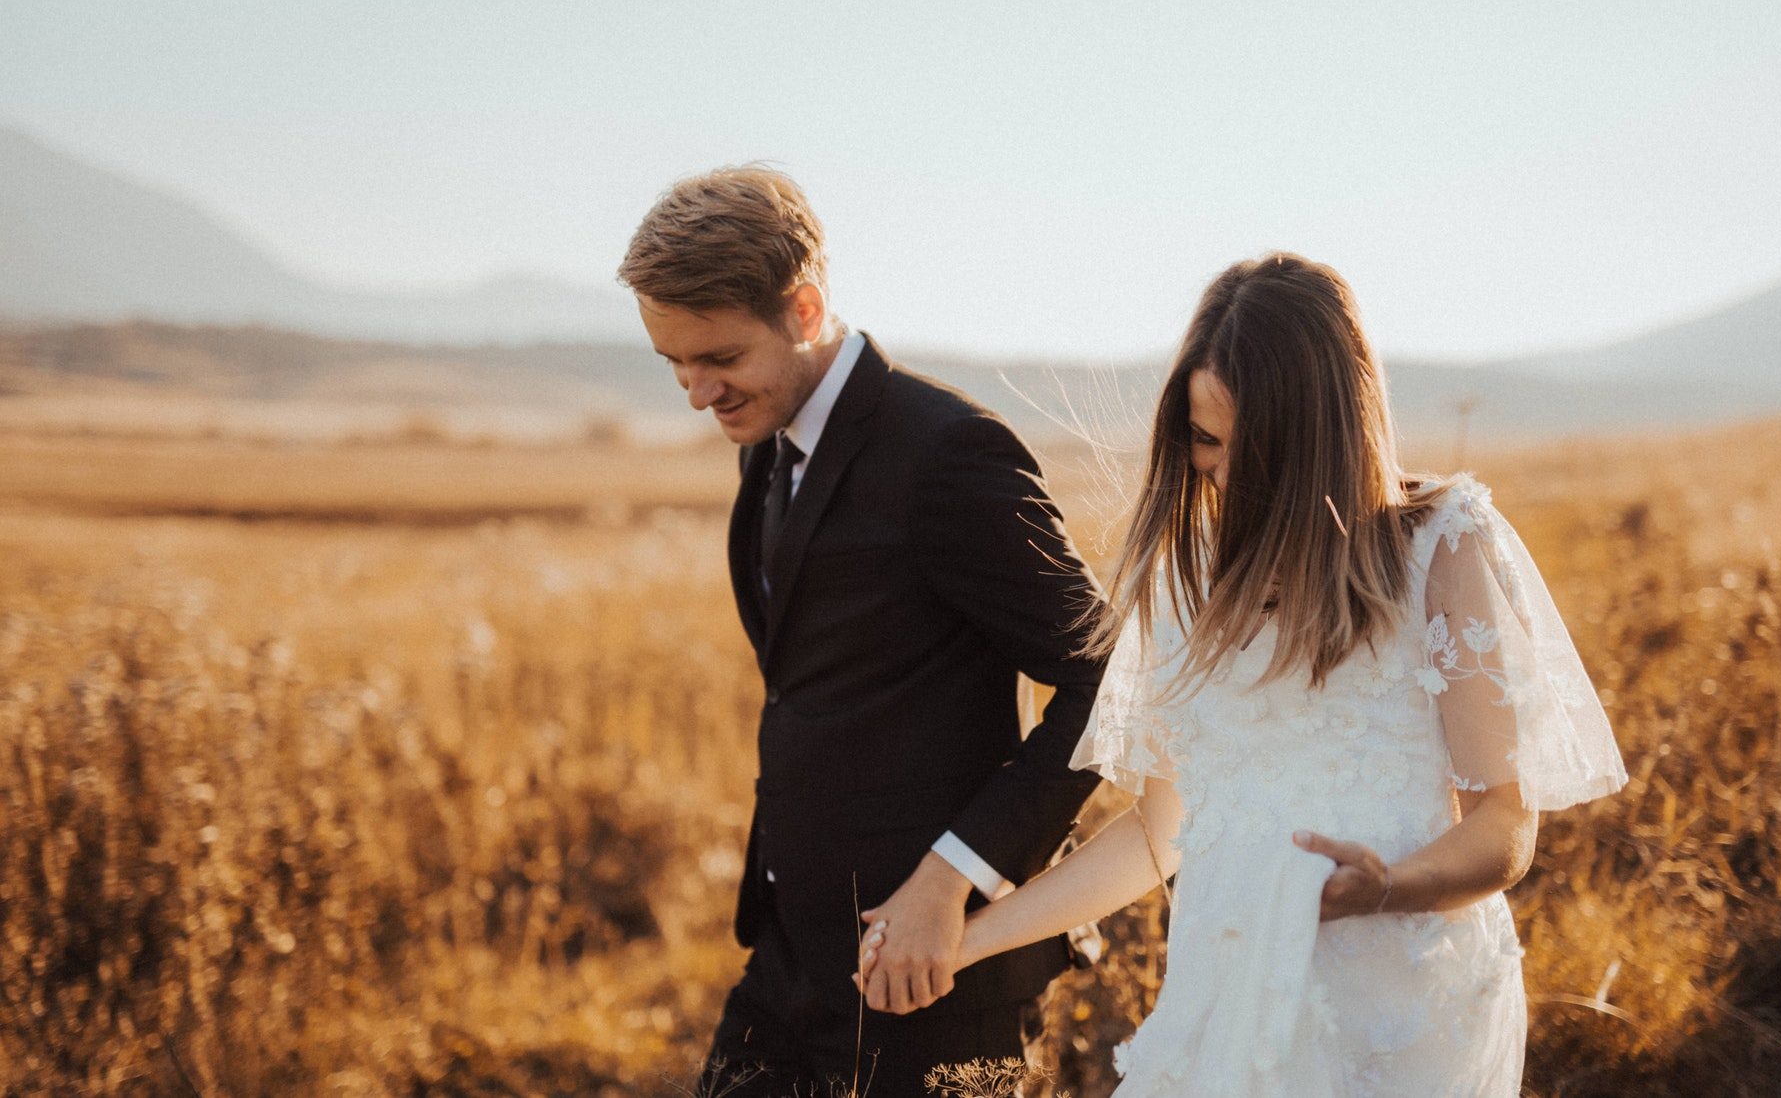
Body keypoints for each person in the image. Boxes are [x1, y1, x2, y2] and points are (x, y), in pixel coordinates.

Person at [860, 253, 1629, 1095]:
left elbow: (1504, 828)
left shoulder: (1441, 545)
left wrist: (1387, 888)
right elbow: (1161, 831)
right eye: (1202, 438)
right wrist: (965, 939)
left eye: (1246, 448)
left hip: (1402, 1019)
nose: (1218, 471)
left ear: (1322, 435)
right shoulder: (1183, 578)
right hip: (1220, 1005)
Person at [618, 167, 1107, 1097]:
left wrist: (950, 879)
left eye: (718, 357)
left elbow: (1109, 681)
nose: (695, 392)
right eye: (673, 362)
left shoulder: (947, 453)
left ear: (803, 309)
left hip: (940, 971)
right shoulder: (767, 433)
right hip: (792, 956)